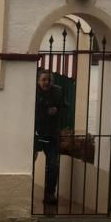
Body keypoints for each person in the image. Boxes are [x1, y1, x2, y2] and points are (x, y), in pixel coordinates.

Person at [34, 69, 65, 205]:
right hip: (34, 132)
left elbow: (64, 107)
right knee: (28, 163)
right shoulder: (32, 91)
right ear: (38, 81)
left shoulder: (57, 92)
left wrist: (57, 111)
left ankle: (50, 194)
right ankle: (26, 191)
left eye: (49, 80)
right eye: (44, 80)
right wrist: (45, 112)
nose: (47, 82)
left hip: (51, 133)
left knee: (53, 164)